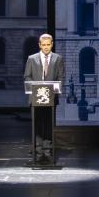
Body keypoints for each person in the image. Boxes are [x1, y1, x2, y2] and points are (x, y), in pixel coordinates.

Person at [23, 34, 65, 163]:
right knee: (37, 125)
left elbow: (60, 77)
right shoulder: (32, 59)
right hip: (36, 97)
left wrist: (54, 89)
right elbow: (27, 76)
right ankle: (38, 150)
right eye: (44, 45)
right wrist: (38, 86)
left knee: (48, 125)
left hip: (51, 98)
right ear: (40, 45)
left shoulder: (58, 58)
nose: (46, 47)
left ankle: (48, 151)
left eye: (48, 44)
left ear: (52, 44)